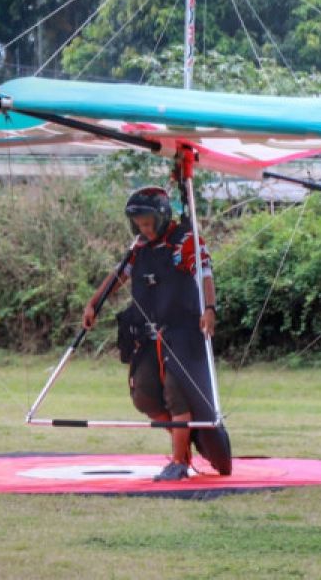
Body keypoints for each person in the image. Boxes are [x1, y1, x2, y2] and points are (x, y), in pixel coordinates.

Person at [82, 186, 222, 482]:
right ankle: (186, 438)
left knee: (176, 394)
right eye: (139, 224)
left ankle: (179, 461)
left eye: (148, 223)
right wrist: (95, 302)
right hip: (148, 334)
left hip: (183, 332)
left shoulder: (186, 241)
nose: (144, 229)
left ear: (162, 217)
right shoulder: (139, 247)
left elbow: (205, 274)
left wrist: (209, 308)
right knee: (144, 395)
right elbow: (120, 274)